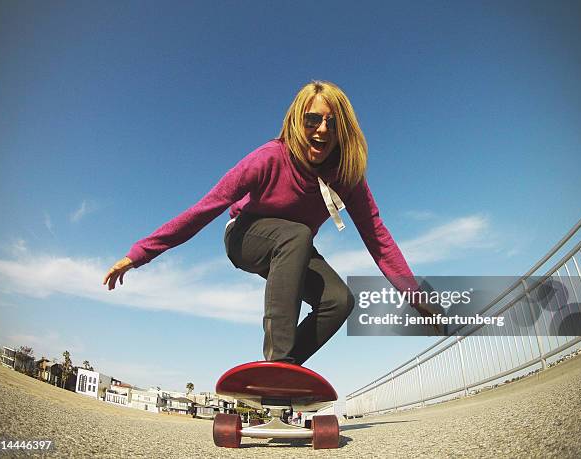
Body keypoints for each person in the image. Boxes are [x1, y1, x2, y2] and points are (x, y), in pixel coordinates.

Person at [103, 80, 438, 365]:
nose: (321, 130)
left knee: (338, 300)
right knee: (296, 234)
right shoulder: (269, 158)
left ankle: (282, 377)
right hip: (244, 237)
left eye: (332, 124)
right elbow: (205, 208)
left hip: (294, 246)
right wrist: (140, 253)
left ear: (342, 132)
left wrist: (414, 294)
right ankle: (277, 361)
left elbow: (377, 236)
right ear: (296, 122)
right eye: (312, 120)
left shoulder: (346, 175)